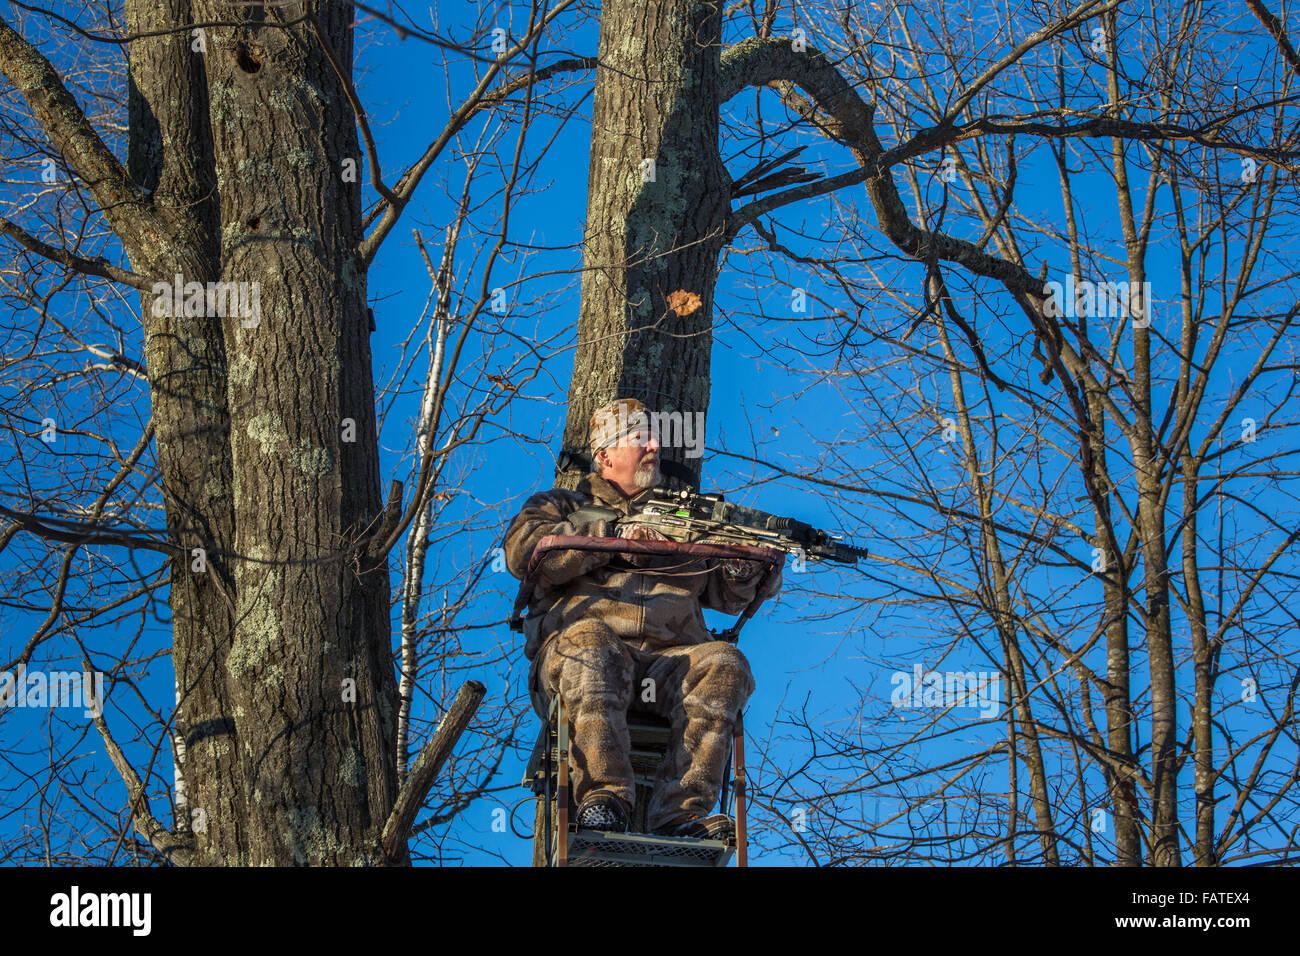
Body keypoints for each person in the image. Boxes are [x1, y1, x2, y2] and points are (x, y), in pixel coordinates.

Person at [504, 398, 782, 839]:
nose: (654, 446)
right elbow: (525, 552)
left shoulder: (686, 516)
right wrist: (611, 537)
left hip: (667, 664)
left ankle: (682, 816)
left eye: (655, 437)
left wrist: (743, 569)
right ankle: (603, 801)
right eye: (640, 438)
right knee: (592, 642)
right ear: (604, 456)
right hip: (581, 659)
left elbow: (727, 596)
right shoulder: (560, 504)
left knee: (725, 664)